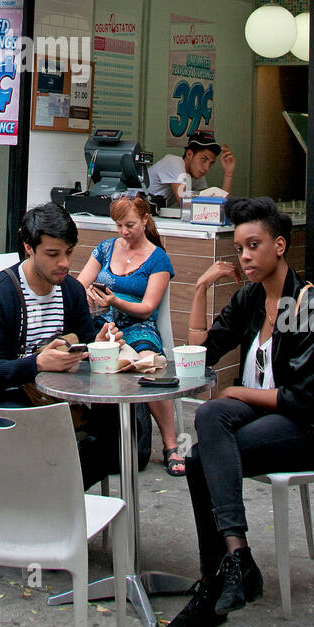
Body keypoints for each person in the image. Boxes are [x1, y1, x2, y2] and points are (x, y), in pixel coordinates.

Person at [166, 196, 314, 627]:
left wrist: (236, 390)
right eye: (240, 248)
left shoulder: (310, 308)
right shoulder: (250, 298)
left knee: (201, 458)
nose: (244, 256)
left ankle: (219, 582)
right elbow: (204, 351)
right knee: (206, 431)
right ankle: (234, 562)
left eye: (254, 245)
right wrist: (200, 289)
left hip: (309, 429)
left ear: (280, 245)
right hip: (261, 421)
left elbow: (299, 399)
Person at [0, 202, 120, 490]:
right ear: (29, 247)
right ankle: (44, 501)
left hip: (59, 399)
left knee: (119, 423)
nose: (64, 263)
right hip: (8, 398)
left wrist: (97, 346)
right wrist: (35, 364)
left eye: (69, 253)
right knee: (36, 429)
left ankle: (61, 500)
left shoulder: (71, 291)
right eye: (53, 254)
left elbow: (84, 342)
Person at [77, 194, 183, 475]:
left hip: (138, 324)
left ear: (146, 220)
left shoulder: (158, 259)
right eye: (119, 225)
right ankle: (87, 434)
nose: (124, 232)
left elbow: (147, 309)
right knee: (78, 354)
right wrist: (89, 295)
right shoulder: (104, 249)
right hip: (103, 323)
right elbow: (78, 286)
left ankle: (171, 444)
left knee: (149, 363)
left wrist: (114, 301)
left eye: (130, 225)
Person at [148, 130, 236, 205]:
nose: (207, 168)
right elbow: (185, 204)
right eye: (203, 159)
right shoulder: (174, 162)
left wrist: (228, 173)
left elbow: (217, 205)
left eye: (211, 163)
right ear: (189, 154)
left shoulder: (197, 174)